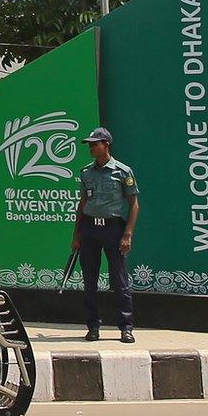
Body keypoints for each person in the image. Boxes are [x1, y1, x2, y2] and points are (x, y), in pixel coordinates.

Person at [73, 127, 138, 343]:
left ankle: (126, 327)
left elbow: (134, 204)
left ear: (106, 144)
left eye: (95, 143)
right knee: (89, 281)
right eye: (90, 144)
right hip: (90, 228)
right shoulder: (86, 172)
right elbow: (82, 204)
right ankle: (93, 326)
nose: (91, 147)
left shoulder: (122, 171)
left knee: (119, 280)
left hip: (113, 229)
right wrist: (77, 235)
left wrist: (127, 234)